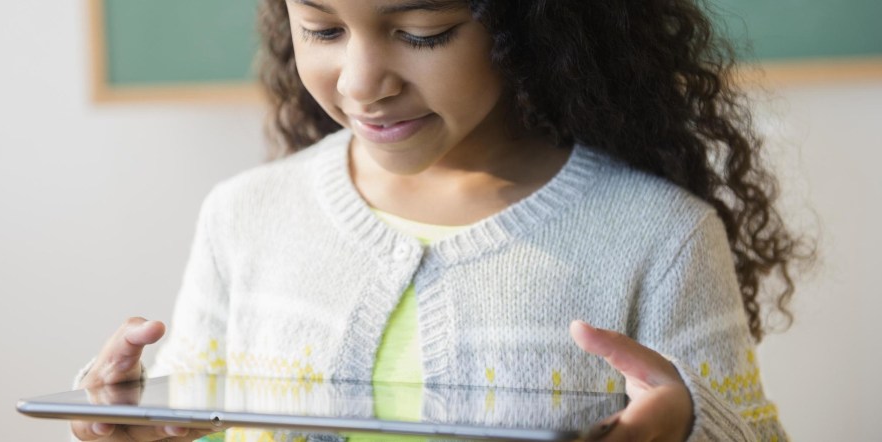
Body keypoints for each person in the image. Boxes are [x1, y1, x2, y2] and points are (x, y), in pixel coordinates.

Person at [72, 0, 813, 441]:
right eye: (322, 29)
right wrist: (132, 427)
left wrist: (686, 424)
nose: (362, 82)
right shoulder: (244, 216)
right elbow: (192, 427)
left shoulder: (658, 235)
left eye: (422, 32)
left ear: (528, 21)